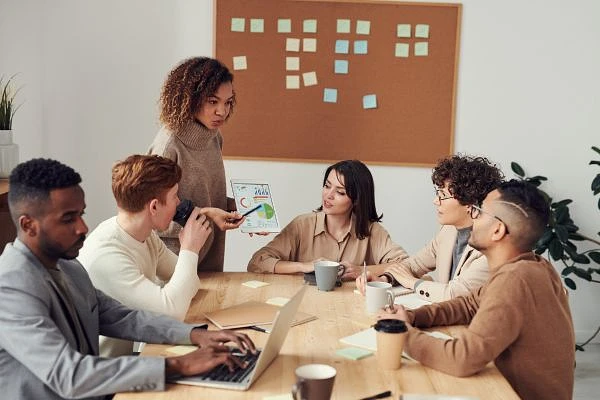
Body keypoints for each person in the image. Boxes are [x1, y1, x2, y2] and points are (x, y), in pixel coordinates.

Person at [0, 158, 255, 399]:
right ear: (28, 225)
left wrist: (195, 335)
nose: (82, 228)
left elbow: (120, 315)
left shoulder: (67, 265)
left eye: (81, 214)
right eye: (69, 219)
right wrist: (178, 364)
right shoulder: (10, 288)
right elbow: (70, 375)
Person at [378, 180, 575, 400]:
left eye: (479, 213)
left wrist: (402, 334)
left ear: (498, 230)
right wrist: (413, 316)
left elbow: (462, 359)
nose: (473, 217)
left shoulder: (515, 279)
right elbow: (469, 304)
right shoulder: (533, 266)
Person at [78, 154, 243, 357]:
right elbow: (172, 314)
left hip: (127, 360)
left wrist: (188, 253)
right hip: (104, 373)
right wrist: (189, 249)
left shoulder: (144, 235)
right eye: (175, 196)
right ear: (154, 206)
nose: (178, 203)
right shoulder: (107, 256)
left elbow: (191, 282)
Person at [357, 155, 504, 301]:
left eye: (442, 195)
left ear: (469, 203)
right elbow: (414, 264)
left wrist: (412, 282)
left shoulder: (491, 244)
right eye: (437, 193)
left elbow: (454, 294)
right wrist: (384, 279)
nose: (436, 201)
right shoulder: (448, 231)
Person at [148, 57, 242, 272]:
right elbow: (152, 211)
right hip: (173, 261)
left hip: (210, 254)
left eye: (228, 102)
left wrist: (233, 205)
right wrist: (208, 213)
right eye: (212, 101)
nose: (222, 111)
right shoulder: (168, 145)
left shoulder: (214, 137)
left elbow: (201, 191)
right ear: (189, 98)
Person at [247, 160, 408, 279]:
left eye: (340, 192)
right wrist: (306, 266)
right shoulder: (302, 225)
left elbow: (406, 264)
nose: (328, 195)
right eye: (327, 185)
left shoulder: (371, 231)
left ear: (357, 200)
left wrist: (363, 271)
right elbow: (257, 263)